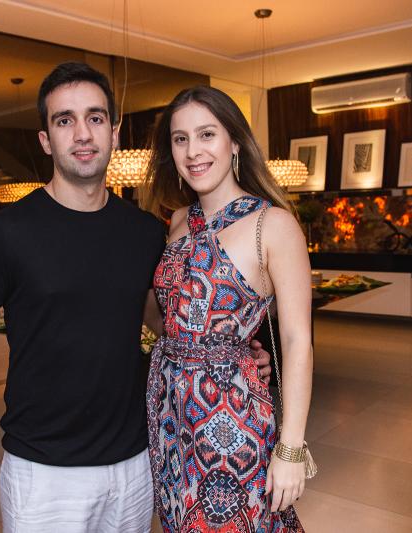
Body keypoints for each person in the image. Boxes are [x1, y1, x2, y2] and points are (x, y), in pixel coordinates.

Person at [0, 62, 274, 533]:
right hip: (44, 472)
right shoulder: (7, 232)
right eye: (65, 120)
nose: (82, 133)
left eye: (95, 118)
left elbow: (170, 321)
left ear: (114, 133)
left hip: (134, 465)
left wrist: (235, 355)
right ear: (46, 140)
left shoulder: (145, 232)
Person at [140, 86, 313, 532]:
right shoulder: (177, 221)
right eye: (180, 139)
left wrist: (290, 449)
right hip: (170, 415)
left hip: (231, 420)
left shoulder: (272, 225)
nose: (193, 152)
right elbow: (167, 319)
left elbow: (297, 340)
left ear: (234, 141)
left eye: (206, 134)